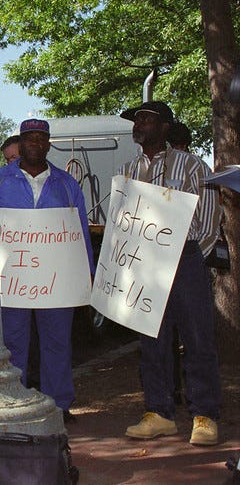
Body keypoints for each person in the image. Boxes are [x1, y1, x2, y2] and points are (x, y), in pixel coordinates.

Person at [118, 101, 222, 446]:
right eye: (137, 120)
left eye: (146, 119)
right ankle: (159, 413)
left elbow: (208, 223)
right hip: (145, 262)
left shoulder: (193, 166)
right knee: (151, 340)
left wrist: (190, 259)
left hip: (185, 259)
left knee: (197, 339)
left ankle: (204, 415)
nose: (139, 124)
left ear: (165, 127)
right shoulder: (128, 168)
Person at [0, 118, 94, 423]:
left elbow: (80, 231)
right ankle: (14, 402)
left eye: (41, 139)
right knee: (12, 343)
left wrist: (86, 272)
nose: (35, 144)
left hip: (56, 280)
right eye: (29, 138)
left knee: (57, 342)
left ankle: (58, 405)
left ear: (48, 144)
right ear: (20, 143)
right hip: (12, 279)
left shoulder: (66, 183)